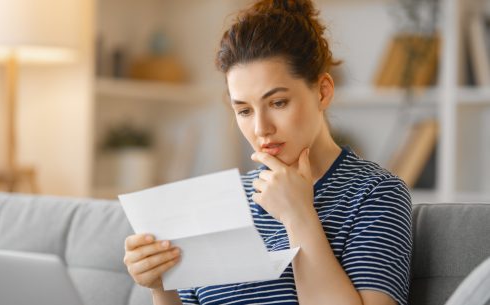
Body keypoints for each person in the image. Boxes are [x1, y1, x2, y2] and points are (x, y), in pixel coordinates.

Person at [123, 0, 413, 304]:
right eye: (245, 110)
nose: (261, 128)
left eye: (278, 103)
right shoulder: (223, 200)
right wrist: (162, 285)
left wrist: (299, 216)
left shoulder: (376, 194)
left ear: (323, 91)